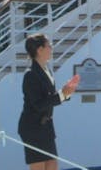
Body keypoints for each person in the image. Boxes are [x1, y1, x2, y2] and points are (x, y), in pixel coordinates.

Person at [17, 33, 80, 170]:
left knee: (52, 165)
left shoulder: (46, 70)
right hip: (33, 127)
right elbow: (39, 104)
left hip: (46, 127)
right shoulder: (31, 74)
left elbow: (50, 97)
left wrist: (66, 93)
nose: (51, 48)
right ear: (39, 50)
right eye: (49, 45)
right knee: (39, 166)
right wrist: (62, 94)